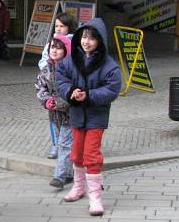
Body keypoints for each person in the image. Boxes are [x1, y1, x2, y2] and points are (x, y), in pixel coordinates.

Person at [55, 18, 122, 216]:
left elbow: (112, 89)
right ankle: (78, 187)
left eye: (92, 38)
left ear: (100, 41)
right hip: (76, 114)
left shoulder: (109, 65)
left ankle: (95, 197)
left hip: (96, 116)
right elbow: (61, 78)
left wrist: (89, 95)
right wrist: (70, 92)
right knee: (76, 153)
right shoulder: (71, 59)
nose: (86, 42)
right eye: (84, 37)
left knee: (91, 156)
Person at [35, 34, 74, 189]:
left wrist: (59, 102)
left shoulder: (71, 70)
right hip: (54, 114)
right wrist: (46, 101)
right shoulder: (46, 69)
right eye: (52, 47)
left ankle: (59, 176)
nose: (55, 51)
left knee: (64, 144)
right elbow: (40, 87)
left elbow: (72, 91)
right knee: (62, 142)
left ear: (66, 50)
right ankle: (69, 174)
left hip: (70, 114)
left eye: (59, 48)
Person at [38, 13, 76, 159]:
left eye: (62, 26)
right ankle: (55, 145)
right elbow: (44, 59)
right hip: (51, 84)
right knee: (53, 119)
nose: (59, 28)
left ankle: (66, 146)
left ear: (69, 27)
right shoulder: (51, 43)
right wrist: (46, 69)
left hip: (66, 89)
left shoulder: (74, 42)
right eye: (57, 26)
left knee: (67, 121)